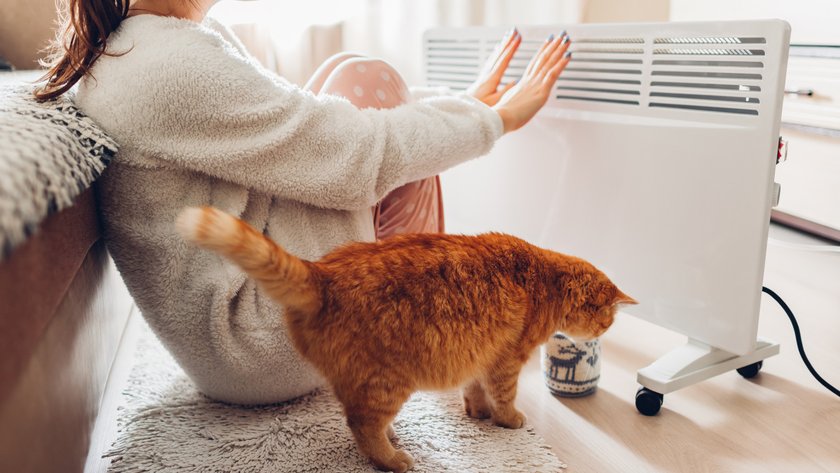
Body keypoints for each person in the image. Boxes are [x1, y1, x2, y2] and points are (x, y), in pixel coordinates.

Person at [36, 0, 572, 405]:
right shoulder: (166, 65)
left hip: (236, 329)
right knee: (371, 87)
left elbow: (308, 126)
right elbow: (358, 157)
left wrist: (466, 107)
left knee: (347, 80)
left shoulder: (155, 42)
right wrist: (495, 119)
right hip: (261, 342)